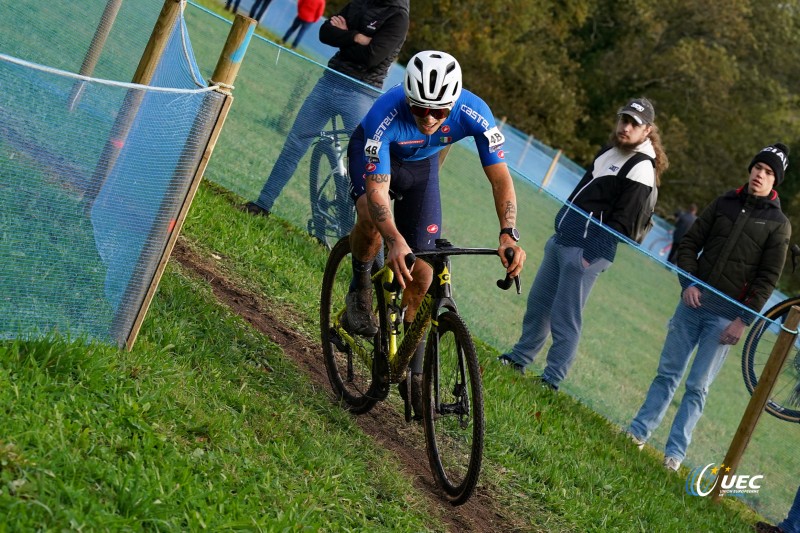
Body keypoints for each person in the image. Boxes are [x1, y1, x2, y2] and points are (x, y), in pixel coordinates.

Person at [343, 51, 526, 418]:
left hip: (421, 169)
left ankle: (410, 368)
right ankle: (360, 282)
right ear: (408, 99)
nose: (429, 118)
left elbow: (500, 177)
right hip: (376, 163)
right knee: (373, 221)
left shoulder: (474, 111)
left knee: (423, 273)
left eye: (439, 112)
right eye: (420, 109)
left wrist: (508, 233)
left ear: (454, 102)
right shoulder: (386, 114)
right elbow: (378, 192)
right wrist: (393, 238)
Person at [627, 143, 791, 472]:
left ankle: (674, 455)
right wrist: (687, 283)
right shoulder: (724, 202)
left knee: (697, 387)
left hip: (725, 320)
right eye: (758, 167)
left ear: (776, 181)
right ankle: (637, 433)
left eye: (769, 172)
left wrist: (742, 320)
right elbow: (689, 243)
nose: (761, 174)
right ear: (750, 169)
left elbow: (766, 280)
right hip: (691, 305)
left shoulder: (779, 224)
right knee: (667, 375)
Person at [497, 98, 669, 390]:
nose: (625, 127)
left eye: (633, 124)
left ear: (647, 130)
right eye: (623, 120)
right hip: (564, 239)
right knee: (539, 304)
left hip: (587, 253)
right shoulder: (610, 151)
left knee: (565, 318)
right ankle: (520, 358)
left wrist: (590, 256)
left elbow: (623, 223)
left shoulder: (642, 166)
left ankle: (552, 379)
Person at [245, 0, 410, 218]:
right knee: (294, 145)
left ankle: (359, 234)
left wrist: (345, 35)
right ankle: (262, 204)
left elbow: (372, 57)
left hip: (361, 93)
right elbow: (325, 33)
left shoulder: (398, 16)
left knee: (367, 163)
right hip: (328, 82)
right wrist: (356, 37)